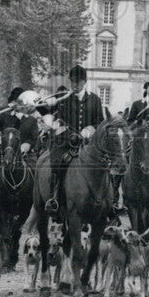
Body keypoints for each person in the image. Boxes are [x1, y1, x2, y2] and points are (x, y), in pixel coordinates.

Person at [45, 66, 106, 216]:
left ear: (85, 81)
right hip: (66, 142)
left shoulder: (95, 100)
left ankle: (108, 201)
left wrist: (88, 129)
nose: (74, 85)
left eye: (78, 82)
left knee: (105, 164)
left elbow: (100, 123)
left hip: (88, 144)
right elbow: (55, 118)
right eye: (72, 81)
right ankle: (54, 198)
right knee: (57, 163)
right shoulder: (64, 99)